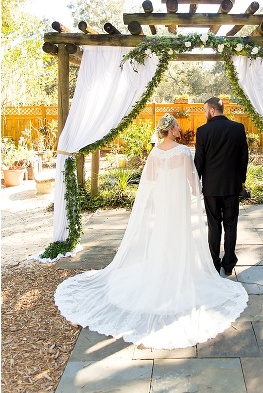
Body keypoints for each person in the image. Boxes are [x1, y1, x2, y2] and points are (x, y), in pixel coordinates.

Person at [54, 114, 247, 349]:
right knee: (179, 234)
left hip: (163, 200)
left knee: (162, 234)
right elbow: (191, 179)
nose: (179, 128)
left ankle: (162, 269)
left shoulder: (155, 152)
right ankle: (177, 272)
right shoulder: (184, 152)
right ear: (172, 129)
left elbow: (151, 179)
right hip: (178, 200)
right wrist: (198, 192)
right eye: (177, 126)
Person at [194, 97, 249, 276]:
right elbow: (243, 157)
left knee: (214, 224)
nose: (204, 114)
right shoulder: (238, 128)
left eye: (204, 111)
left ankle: (214, 262)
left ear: (211, 111)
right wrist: (240, 179)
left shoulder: (202, 131)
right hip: (232, 186)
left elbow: (199, 161)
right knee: (231, 224)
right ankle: (228, 263)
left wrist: (197, 180)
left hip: (211, 187)